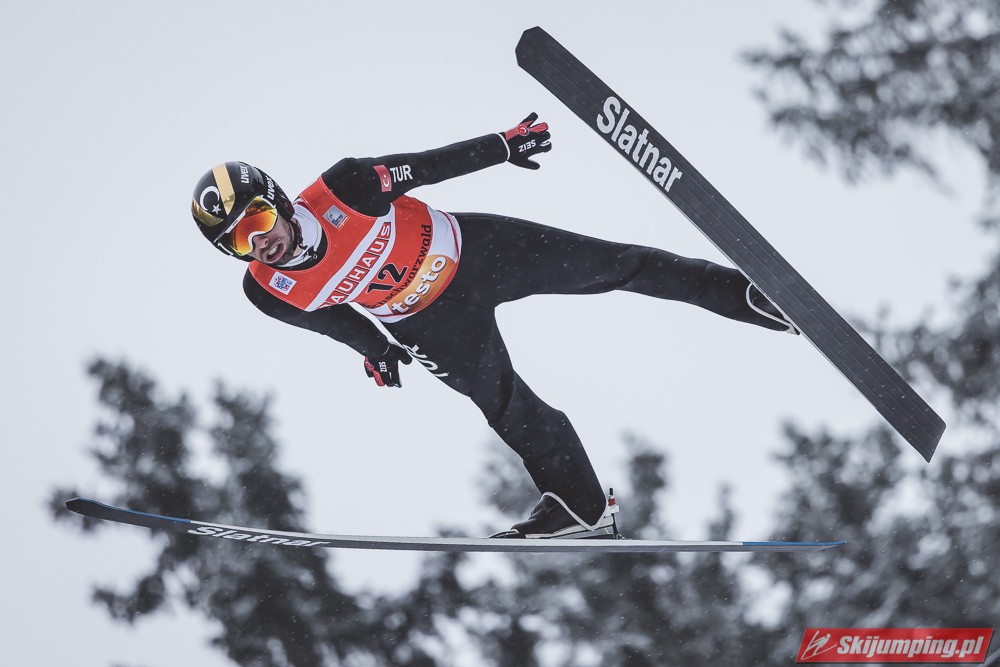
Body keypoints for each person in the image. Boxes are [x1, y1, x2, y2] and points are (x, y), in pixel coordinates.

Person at [191, 114, 796, 539]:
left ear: (276, 199)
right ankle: (582, 509)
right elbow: (332, 319)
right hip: (430, 323)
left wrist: (503, 146)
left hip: (477, 252)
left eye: (259, 220)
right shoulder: (267, 291)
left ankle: (750, 298)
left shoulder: (345, 188)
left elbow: (425, 168)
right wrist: (375, 349)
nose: (260, 242)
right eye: (239, 241)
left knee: (617, 265)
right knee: (506, 406)